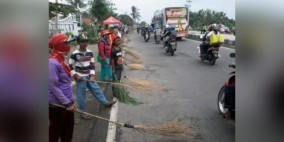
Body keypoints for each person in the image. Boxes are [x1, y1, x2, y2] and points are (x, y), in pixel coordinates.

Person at [69, 34, 116, 120]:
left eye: (86, 41)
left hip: (89, 76)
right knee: (81, 95)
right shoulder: (74, 54)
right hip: (80, 78)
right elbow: (70, 66)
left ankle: (104, 103)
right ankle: (82, 112)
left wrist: (92, 75)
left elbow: (92, 65)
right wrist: (76, 75)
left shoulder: (90, 52)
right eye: (83, 42)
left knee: (97, 90)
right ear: (78, 43)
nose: (85, 43)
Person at [49, 33, 75, 142]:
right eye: (67, 43)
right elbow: (53, 86)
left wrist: (71, 101)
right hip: (57, 104)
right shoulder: (52, 62)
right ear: (60, 45)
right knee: (56, 131)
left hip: (67, 100)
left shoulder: (62, 58)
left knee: (68, 130)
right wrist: (67, 103)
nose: (69, 45)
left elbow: (65, 80)